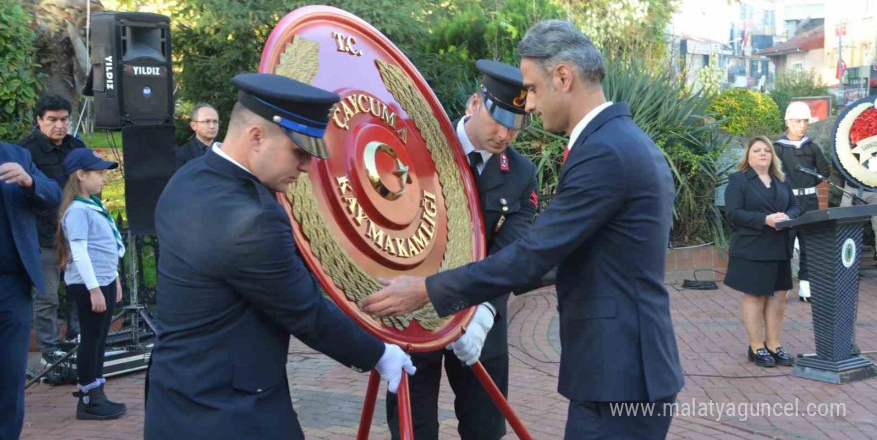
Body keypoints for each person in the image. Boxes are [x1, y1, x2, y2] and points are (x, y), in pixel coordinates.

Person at [362, 20, 684, 440]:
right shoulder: (620, 142)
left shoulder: (605, 151)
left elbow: (532, 253)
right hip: (619, 368)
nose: (528, 105)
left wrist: (429, 290)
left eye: (532, 88)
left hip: (619, 373)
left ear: (563, 77)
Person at [144, 73, 415, 440]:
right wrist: (380, 355)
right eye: (299, 152)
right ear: (256, 137)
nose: (306, 166)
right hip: (232, 413)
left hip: (174, 399)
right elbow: (305, 312)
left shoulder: (189, 177)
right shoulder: (252, 218)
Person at [385, 60, 539, 440]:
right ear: (475, 103)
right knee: (413, 429)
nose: (504, 134)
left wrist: (484, 312)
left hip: (480, 321)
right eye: (498, 119)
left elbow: (512, 251)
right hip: (416, 313)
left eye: (515, 127)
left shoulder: (521, 173)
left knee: (485, 428)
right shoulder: (420, 148)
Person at [54, 148, 127, 419]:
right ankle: (88, 399)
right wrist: (94, 289)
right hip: (89, 284)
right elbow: (81, 252)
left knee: (99, 340)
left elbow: (106, 246)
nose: (103, 178)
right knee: (91, 339)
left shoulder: (94, 205)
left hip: (103, 279)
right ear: (81, 175)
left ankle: (98, 394)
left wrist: (115, 279)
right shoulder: (76, 211)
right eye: (98, 173)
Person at [0, 141, 62, 440]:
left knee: (10, 377)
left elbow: (53, 194)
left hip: (10, 285)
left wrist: (30, 181)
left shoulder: (15, 155)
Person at [19, 93, 86, 364]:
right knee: (47, 296)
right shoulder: (26, 151)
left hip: (75, 233)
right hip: (43, 235)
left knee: (78, 291)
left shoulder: (76, 146)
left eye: (63, 119)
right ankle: (49, 351)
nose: (59, 125)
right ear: (39, 120)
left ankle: (76, 338)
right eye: (52, 120)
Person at [724, 136, 799, 367]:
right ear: (748, 155)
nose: (763, 154)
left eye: (767, 150)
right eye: (757, 150)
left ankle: (774, 344)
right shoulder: (739, 181)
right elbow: (733, 213)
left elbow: (795, 206)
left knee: (779, 297)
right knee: (755, 295)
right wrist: (764, 219)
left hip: (779, 245)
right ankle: (756, 346)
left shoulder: (781, 179)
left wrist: (789, 217)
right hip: (752, 247)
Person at [772, 101, 829, 302]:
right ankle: (783, 286)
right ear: (788, 121)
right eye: (798, 121)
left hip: (809, 201)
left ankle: (806, 288)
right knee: (784, 245)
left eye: (805, 121)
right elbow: (772, 175)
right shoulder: (778, 148)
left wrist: (807, 182)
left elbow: (824, 171)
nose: (802, 125)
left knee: (809, 244)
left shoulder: (812, 147)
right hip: (787, 202)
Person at [176, 103, 220, 169]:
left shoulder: (224, 151)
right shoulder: (182, 154)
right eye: (207, 121)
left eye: (215, 121)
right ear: (193, 125)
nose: (212, 126)